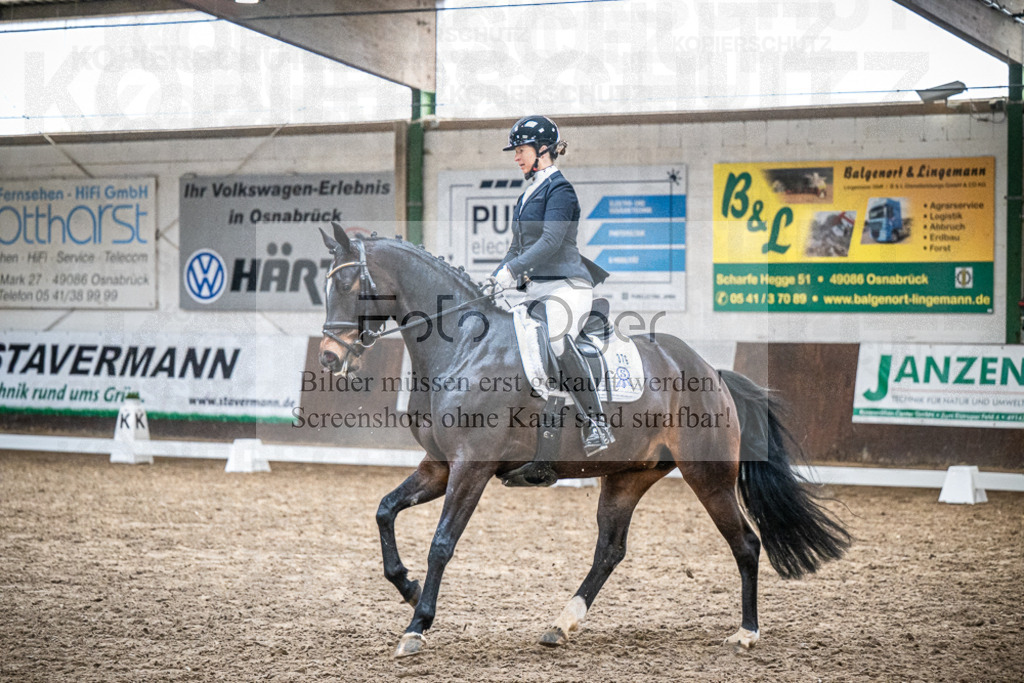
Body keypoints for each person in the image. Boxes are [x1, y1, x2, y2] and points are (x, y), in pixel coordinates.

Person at [485, 115, 613, 487]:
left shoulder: (560, 190)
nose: (516, 158)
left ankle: (596, 423)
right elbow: (517, 246)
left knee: (555, 337)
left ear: (542, 151)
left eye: (521, 151)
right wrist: (497, 278)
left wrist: (512, 272)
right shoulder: (526, 193)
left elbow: (551, 243)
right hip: (534, 288)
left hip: (567, 286)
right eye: (516, 152)